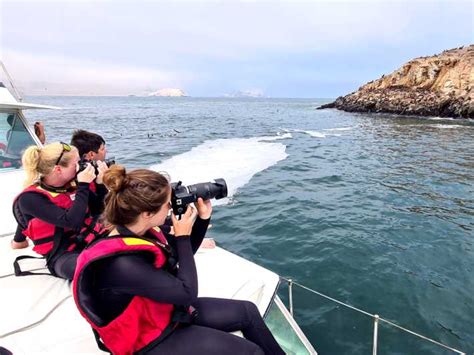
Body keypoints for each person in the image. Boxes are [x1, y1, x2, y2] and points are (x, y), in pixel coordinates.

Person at [73, 166, 284, 355]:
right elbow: (186, 294)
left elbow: (184, 253)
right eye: (167, 204)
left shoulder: (139, 228)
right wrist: (182, 236)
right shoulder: (121, 264)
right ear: (146, 213)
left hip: (161, 313)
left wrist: (202, 219)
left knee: (246, 311)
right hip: (147, 339)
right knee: (251, 352)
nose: (172, 207)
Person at [11, 142, 109, 280]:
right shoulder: (30, 198)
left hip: (90, 238)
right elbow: (72, 222)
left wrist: (99, 184)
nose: (80, 167)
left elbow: (100, 209)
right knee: (89, 268)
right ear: (58, 169)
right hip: (63, 253)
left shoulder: (71, 186)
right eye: (76, 164)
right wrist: (83, 185)